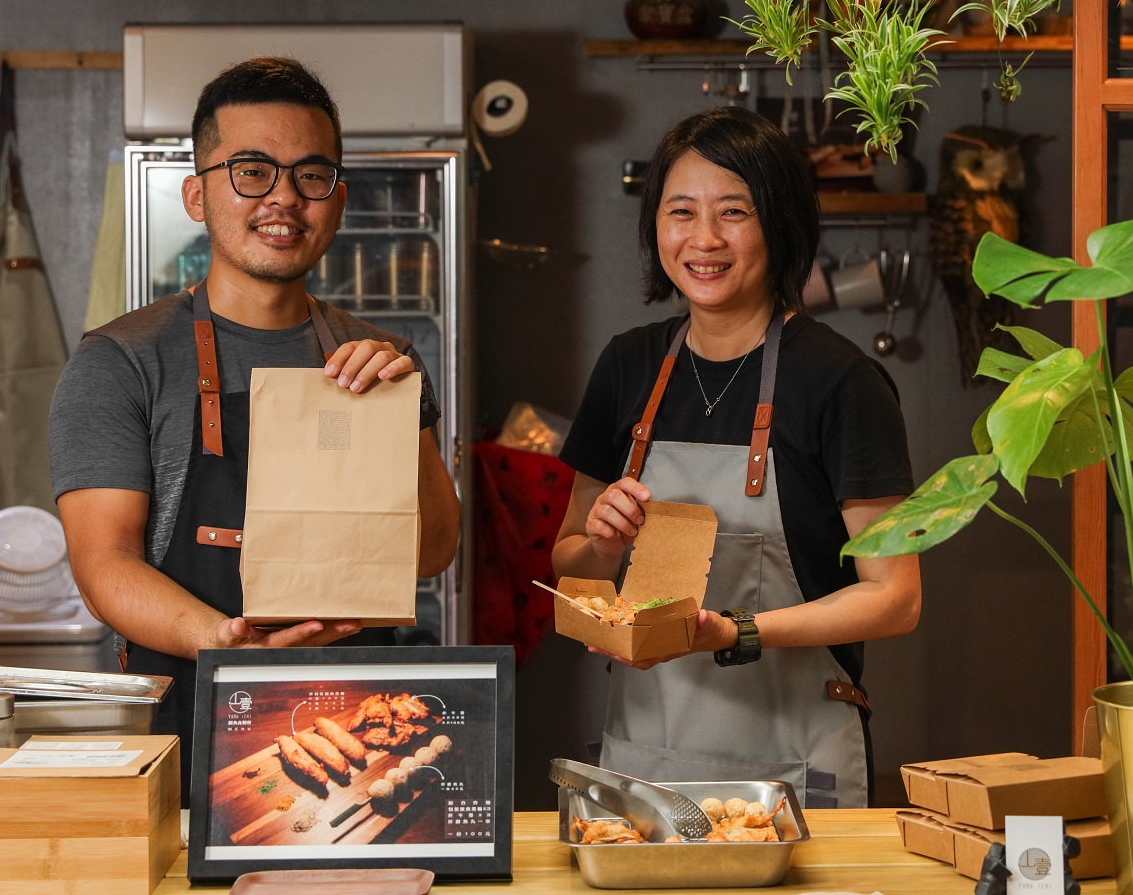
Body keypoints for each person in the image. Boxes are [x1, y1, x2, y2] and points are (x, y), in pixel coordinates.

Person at [50, 57, 462, 781]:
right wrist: (228, 643)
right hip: (193, 711)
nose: (284, 198)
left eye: (310, 176)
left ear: (338, 199)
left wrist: (407, 413)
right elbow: (103, 564)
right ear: (196, 195)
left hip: (364, 720)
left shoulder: (383, 358)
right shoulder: (121, 362)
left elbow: (430, 552)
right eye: (251, 172)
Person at [551, 108, 920, 808]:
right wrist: (599, 542)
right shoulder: (628, 365)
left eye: (734, 212)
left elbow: (897, 597)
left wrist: (736, 631)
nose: (704, 239)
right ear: (654, 225)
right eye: (680, 211)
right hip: (646, 766)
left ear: (777, 223)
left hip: (791, 775)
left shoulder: (841, 381)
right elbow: (572, 573)